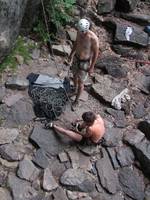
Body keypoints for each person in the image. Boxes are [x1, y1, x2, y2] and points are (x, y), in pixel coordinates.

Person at [68, 19, 99, 107]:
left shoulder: (93, 39)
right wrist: (71, 54)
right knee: (74, 75)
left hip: (85, 62)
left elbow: (96, 54)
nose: (81, 33)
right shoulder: (79, 32)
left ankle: (76, 101)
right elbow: (76, 43)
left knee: (81, 82)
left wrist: (92, 67)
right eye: (80, 31)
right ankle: (74, 90)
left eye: (82, 32)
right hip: (76, 58)